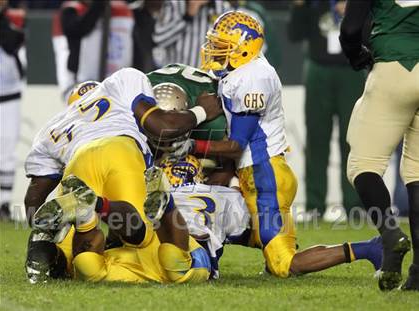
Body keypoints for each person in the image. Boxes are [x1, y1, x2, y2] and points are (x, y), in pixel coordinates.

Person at [170, 11, 371, 278]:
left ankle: (371, 249)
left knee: (284, 265)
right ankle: (270, 240)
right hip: (257, 174)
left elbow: (235, 146)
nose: (214, 51)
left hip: (266, 177)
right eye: (215, 43)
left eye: (222, 46)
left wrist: (191, 146)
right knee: (222, 214)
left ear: (244, 48)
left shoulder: (252, 78)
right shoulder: (243, 71)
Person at [23, 67, 222, 283]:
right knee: (148, 240)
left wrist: (45, 234)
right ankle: (102, 206)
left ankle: (80, 224)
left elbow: (34, 200)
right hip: (120, 149)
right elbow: (161, 125)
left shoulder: (52, 128)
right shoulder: (122, 80)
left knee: (72, 261)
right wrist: (201, 111)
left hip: (76, 163)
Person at [161, 155, 383, 278]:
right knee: (255, 236)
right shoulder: (224, 193)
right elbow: (247, 227)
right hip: (265, 186)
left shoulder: (163, 197)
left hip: (192, 255)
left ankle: (371, 248)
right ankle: (275, 253)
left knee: (285, 264)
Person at [340, 0, 419, 291]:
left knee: (363, 164)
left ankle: (389, 235)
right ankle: (418, 275)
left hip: (393, 68)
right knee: (417, 172)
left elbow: (350, 29)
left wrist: (357, 55)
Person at [30, 173, 211, 284]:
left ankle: (87, 214)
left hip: (128, 260)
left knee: (86, 265)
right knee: (174, 263)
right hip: (160, 249)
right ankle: (92, 208)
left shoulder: (69, 256)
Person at [287, 0, 365, 221]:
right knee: (316, 138)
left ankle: (354, 205)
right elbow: (294, 34)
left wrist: (355, 12)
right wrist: (299, 7)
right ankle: (314, 204)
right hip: (318, 68)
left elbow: (371, 31)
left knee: (353, 140)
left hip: (351, 69)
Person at [52, 0, 134, 99]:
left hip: (112, 80)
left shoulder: (119, 10)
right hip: (80, 80)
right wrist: (97, 6)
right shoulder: (71, 10)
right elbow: (78, 29)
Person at [0, 0, 25, 220]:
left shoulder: (11, 20)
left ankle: (3, 204)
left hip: (7, 95)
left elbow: (10, 42)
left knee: (6, 151)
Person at [152, 0, 229, 68]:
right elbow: (159, 39)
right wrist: (188, 16)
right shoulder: (174, 4)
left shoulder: (223, 7)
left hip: (207, 78)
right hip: (175, 76)